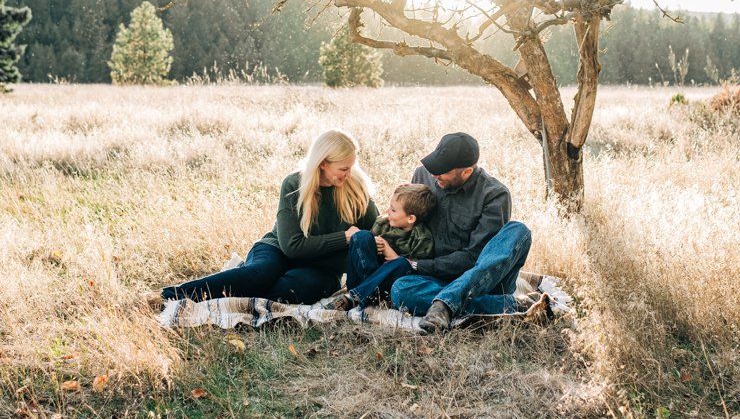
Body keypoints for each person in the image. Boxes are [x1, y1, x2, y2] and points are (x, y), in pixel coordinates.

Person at [160, 129, 378, 304]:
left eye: (351, 167)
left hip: (323, 269)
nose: (349, 174)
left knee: (294, 289)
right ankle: (169, 296)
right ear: (323, 163)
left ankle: (241, 286)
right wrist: (344, 238)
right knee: (261, 273)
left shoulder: (355, 188)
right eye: (343, 168)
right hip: (278, 250)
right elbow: (292, 246)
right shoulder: (294, 184)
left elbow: (376, 231)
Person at [388, 131, 551, 333]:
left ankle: (445, 304)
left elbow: (477, 258)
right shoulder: (422, 176)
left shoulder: (494, 194)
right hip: (435, 278)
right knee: (400, 290)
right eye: (434, 167)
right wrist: (400, 200)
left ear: (466, 172)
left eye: (442, 171)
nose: (433, 175)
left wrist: (420, 265)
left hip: (482, 279)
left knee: (519, 230)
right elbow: (409, 223)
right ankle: (511, 305)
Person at [323, 182, 437, 310]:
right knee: (361, 236)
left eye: (393, 210)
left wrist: (391, 254)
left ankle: (356, 297)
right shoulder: (382, 224)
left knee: (403, 263)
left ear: (410, 218)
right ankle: (366, 294)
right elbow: (365, 256)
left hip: (387, 288)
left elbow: (414, 272)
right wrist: (373, 244)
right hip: (362, 282)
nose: (387, 211)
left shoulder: (422, 238)